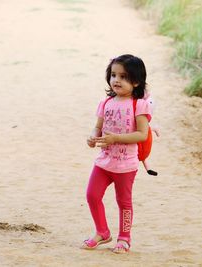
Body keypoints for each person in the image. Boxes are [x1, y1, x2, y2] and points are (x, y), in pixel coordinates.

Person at [81, 54, 152, 254]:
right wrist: (92, 137)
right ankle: (102, 232)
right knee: (92, 195)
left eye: (123, 76)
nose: (117, 80)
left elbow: (141, 134)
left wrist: (116, 139)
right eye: (113, 75)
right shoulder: (105, 103)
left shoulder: (139, 104)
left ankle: (124, 238)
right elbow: (98, 127)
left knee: (123, 202)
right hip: (104, 161)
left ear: (136, 81)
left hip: (126, 164)